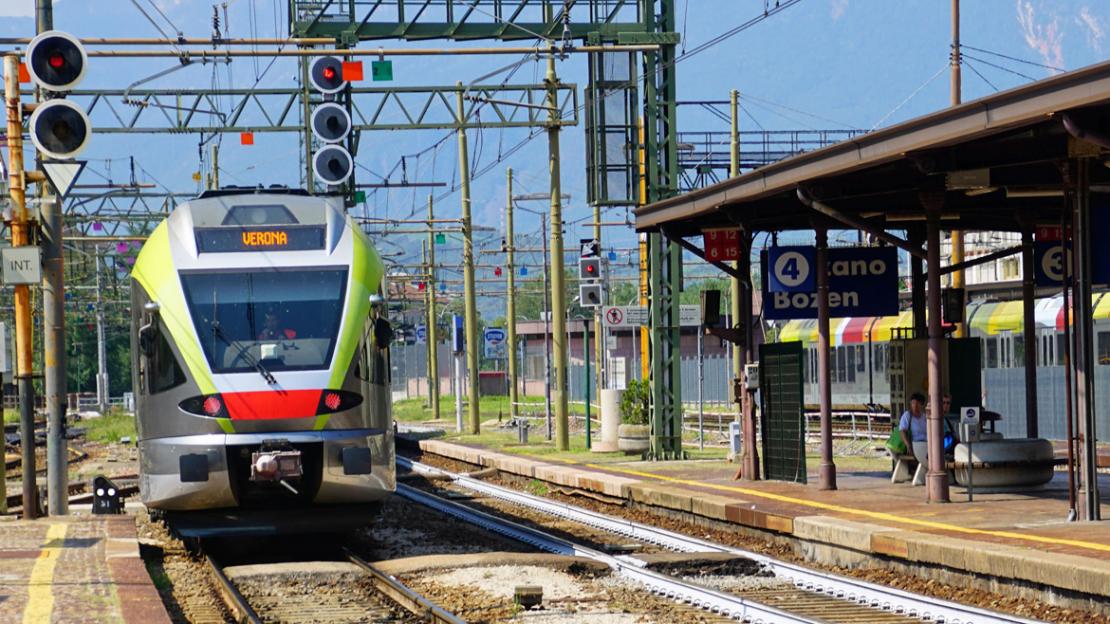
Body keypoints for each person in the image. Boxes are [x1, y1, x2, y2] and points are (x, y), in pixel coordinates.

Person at [899, 392, 928, 486]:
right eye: (912, 403)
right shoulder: (907, 416)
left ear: (922, 405)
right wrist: (908, 445)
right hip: (914, 444)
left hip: (925, 443)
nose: (914, 406)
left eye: (917, 404)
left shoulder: (924, 417)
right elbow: (902, 431)